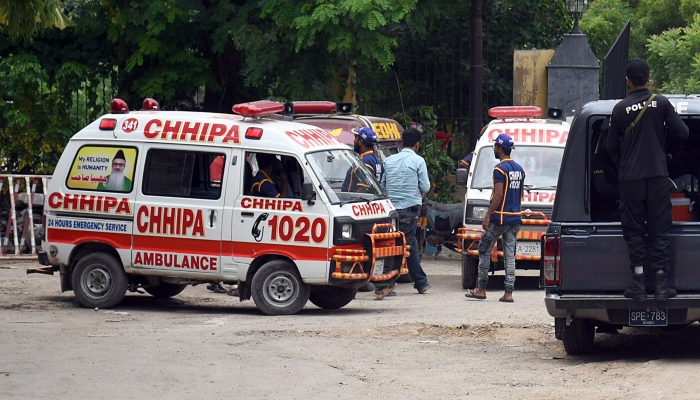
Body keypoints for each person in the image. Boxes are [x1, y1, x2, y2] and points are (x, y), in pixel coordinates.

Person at [606, 58, 689, 301]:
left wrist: (625, 162)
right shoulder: (661, 103)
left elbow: (611, 146)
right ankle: (662, 286)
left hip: (630, 178)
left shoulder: (620, 109)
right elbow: (683, 133)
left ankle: (638, 285)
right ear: (649, 78)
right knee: (659, 229)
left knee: (633, 230)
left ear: (627, 81)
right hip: (657, 176)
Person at [464, 133, 524, 303]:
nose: (494, 149)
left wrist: (488, 215)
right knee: (509, 254)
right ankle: (509, 292)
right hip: (514, 218)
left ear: (499, 148)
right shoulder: (519, 169)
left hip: (499, 218)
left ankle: (481, 289)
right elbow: (518, 194)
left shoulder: (499, 169)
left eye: (495, 147)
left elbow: (498, 195)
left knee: (484, 249)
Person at [376, 127, 431, 299]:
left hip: (390, 210)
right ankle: (384, 284)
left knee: (399, 244)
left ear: (401, 143)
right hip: (409, 210)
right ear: (417, 145)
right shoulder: (418, 161)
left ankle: (421, 282)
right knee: (404, 246)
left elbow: (382, 185)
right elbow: (425, 187)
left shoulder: (389, 160)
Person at [342, 127, 383, 192]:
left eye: (355, 138)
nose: (353, 141)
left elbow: (364, 188)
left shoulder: (365, 161)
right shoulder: (376, 160)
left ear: (360, 142)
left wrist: (354, 200)